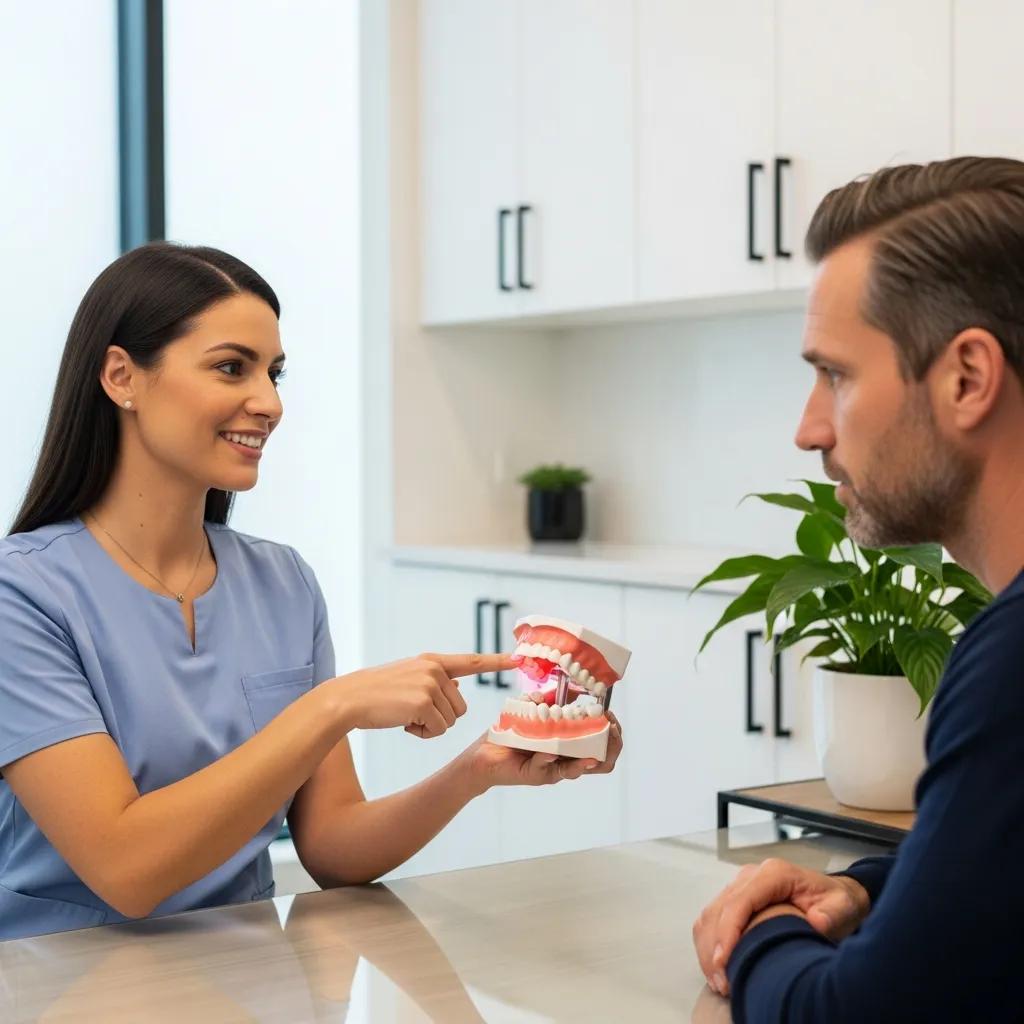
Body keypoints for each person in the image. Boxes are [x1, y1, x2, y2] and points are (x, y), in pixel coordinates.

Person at [0, 242, 622, 940]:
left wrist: (478, 768)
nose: (268, 403)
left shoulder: (282, 582)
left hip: (253, 981)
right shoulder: (20, 594)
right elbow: (127, 868)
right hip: (59, 987)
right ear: (122, 377)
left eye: (274, 373)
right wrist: (334, 705)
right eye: (231, 367)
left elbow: (330, 848)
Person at [692, 156, 1024, 1021]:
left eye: (835, 374)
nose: (809, 430)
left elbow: (849, 1014)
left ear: (966, 379)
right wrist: (875, 891)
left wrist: (763, 930)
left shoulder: (1014, 662)